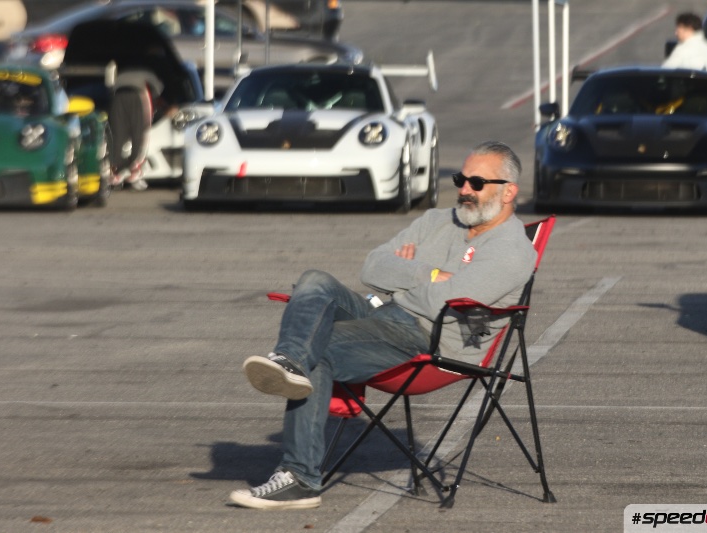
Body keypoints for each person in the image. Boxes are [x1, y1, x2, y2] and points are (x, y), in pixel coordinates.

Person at [229, 140, 538, 510]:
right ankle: (289, 362)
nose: (464, 190)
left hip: (427, 340)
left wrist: (404, 279)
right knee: (314, 282)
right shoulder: (437, 220)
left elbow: (444, 302)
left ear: (508, 192)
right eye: (460, 179)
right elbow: (373, 266)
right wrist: (430, 272)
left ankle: (300, 478)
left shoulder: (513, 250)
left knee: (321, 349)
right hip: (385, 318)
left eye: (476, 182)